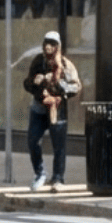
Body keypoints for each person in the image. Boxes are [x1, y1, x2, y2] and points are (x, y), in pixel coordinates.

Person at [23, 31, 79, 192]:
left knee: (59, 146)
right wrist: (36, 81)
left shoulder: (65, 64)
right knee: (33, 140)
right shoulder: (37, 61)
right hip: (39, 106)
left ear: (58, 47)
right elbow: (27, 84)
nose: (49, 48)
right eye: (46, 44)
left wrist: (61, 86)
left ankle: (58, 178)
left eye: (52, 45)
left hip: (57, 108)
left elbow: (76, 86)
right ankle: (40, 173)